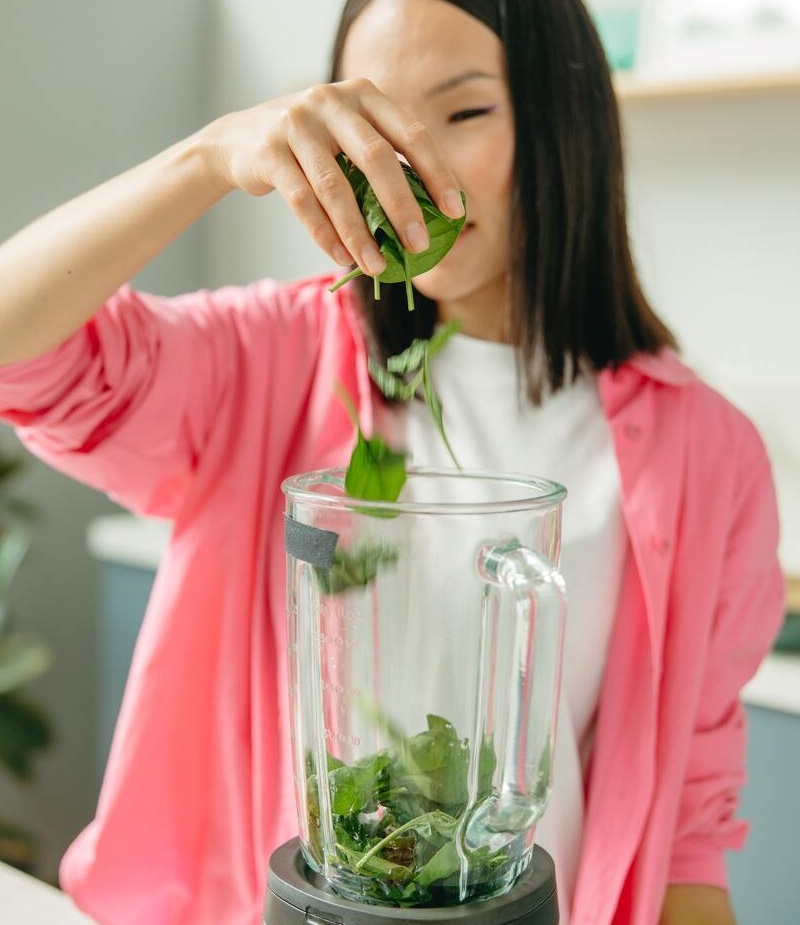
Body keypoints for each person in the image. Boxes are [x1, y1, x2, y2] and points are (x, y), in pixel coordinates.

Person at [0, 0, 785, 923]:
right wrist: (210, 157)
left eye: (462, 113)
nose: (412, 170)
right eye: (375, 127)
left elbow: (693, 818)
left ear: (565, 123)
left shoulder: (706, 451)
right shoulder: (275, 357)